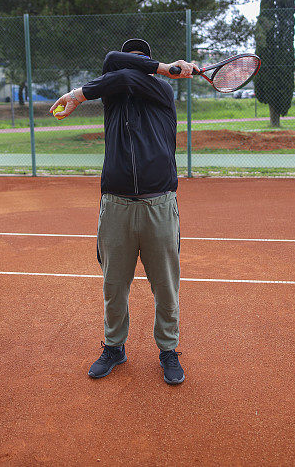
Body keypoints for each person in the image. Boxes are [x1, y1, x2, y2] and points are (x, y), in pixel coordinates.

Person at [49, 38, 196, 385]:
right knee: (114, 285)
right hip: (115, 205)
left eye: (141, 60)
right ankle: (114, 347)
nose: (132, 66)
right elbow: (114, 64)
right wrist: (164, 65)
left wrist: (79, 94)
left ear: (148, 65)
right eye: (129, 61)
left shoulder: (162, 92)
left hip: (158, 203)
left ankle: (168, 350)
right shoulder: (113, 97)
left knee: (165, 286)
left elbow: (128, 75)